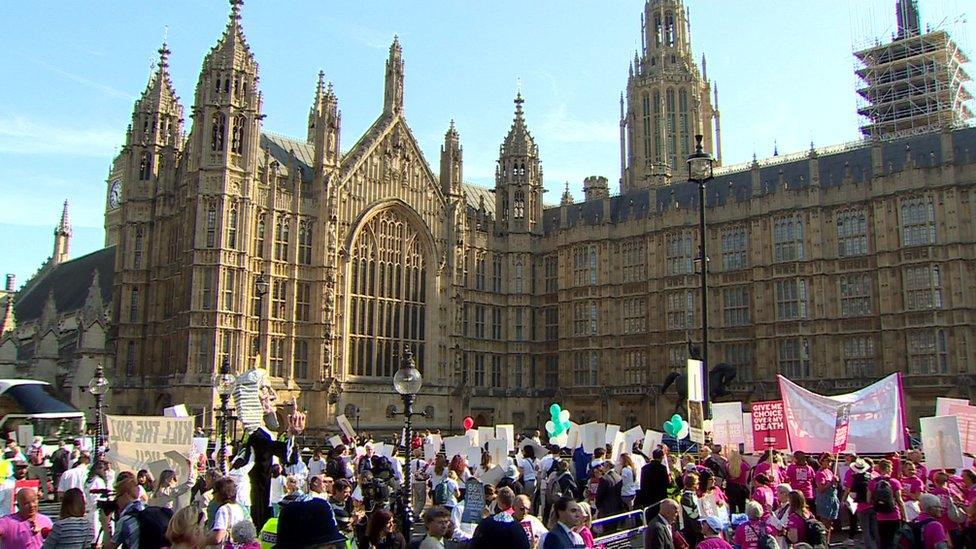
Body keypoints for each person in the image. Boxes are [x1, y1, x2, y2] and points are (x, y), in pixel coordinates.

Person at [868, 458, 905, 548]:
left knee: (883, 541)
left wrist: (879, 504)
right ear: (888, 468)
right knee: (894, 541)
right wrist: (904, 517)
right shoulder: (894, 482)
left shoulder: (873, 482)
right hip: (894, 515)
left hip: (880, 516)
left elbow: (868, 500)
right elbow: (900, 501)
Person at [208, 477, 246, 546]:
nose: (213, 495)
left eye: (215, 492)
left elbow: (218, 537)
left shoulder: (223, 510)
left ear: (221, 493)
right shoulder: (238, 508)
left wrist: (204, 541)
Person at [637, 448, 671, 518]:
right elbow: (667, 483)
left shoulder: (644, 468)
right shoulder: (662, 468)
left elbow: (642, 483)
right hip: (660, 497)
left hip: (647, 497)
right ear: (661, 457)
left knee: (649, 517)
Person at [813, 454, 839, 539]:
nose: (829, 463)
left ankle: (827, 541)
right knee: (825, 523)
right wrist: (831, 482)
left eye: (831, 461)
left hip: (832, 498)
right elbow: (821, 489)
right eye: (827, 460)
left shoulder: (830, 471)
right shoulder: (820, 473)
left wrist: (836, 482)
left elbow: (834, 485)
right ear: (822, 461)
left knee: (830, 523)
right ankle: (823, 542)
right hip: (824, 500)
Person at [679, 473, 702, 547]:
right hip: (689, 528)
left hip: (696, 527)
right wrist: (701, 505)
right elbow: (692, 514)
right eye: (697, 483)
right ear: (693, 484)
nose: (699, 485)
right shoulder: (686, 498)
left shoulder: (693, 495)